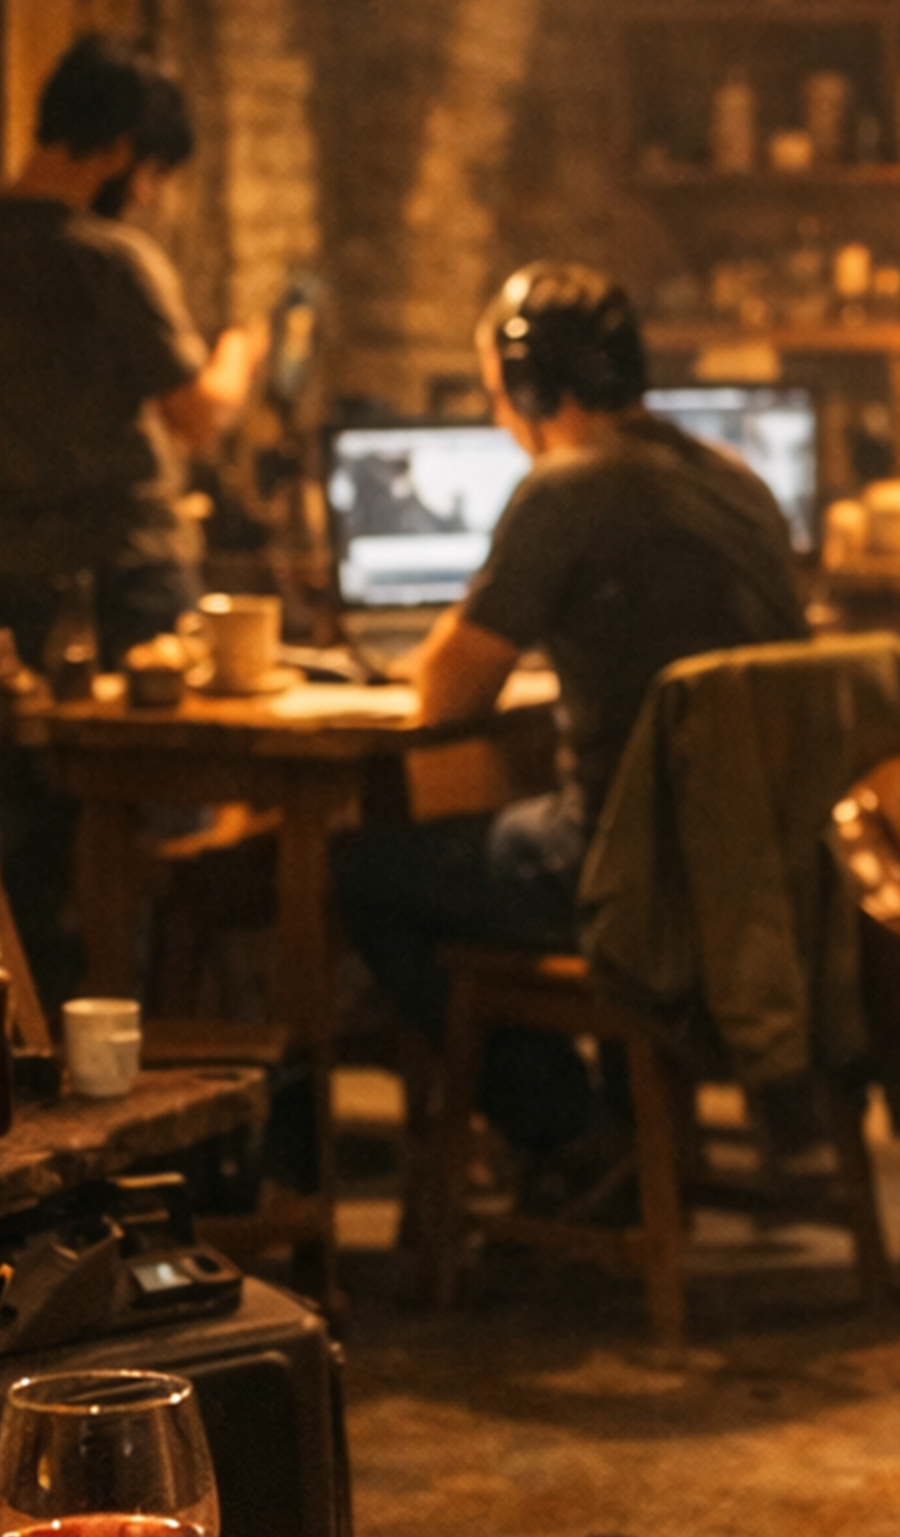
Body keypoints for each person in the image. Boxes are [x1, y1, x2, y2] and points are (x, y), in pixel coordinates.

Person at [333, 261, 807, 1152]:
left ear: (528, 383)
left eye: (494, 394)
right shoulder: (735, 479)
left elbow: (447, 693)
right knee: (510, 826)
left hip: (628, 872)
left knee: (369, 876)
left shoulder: (566, 486)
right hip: (757, 875)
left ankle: (571, 1137)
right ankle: (633, 1131)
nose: (497, 418)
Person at [0, 34, 263, 668]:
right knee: (139, 763)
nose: (148, 195)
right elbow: (198, 418)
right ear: (121, 149)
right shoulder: (112, 258)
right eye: (152, 173)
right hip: (122, 579)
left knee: (11, 761)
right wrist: (239, 352)